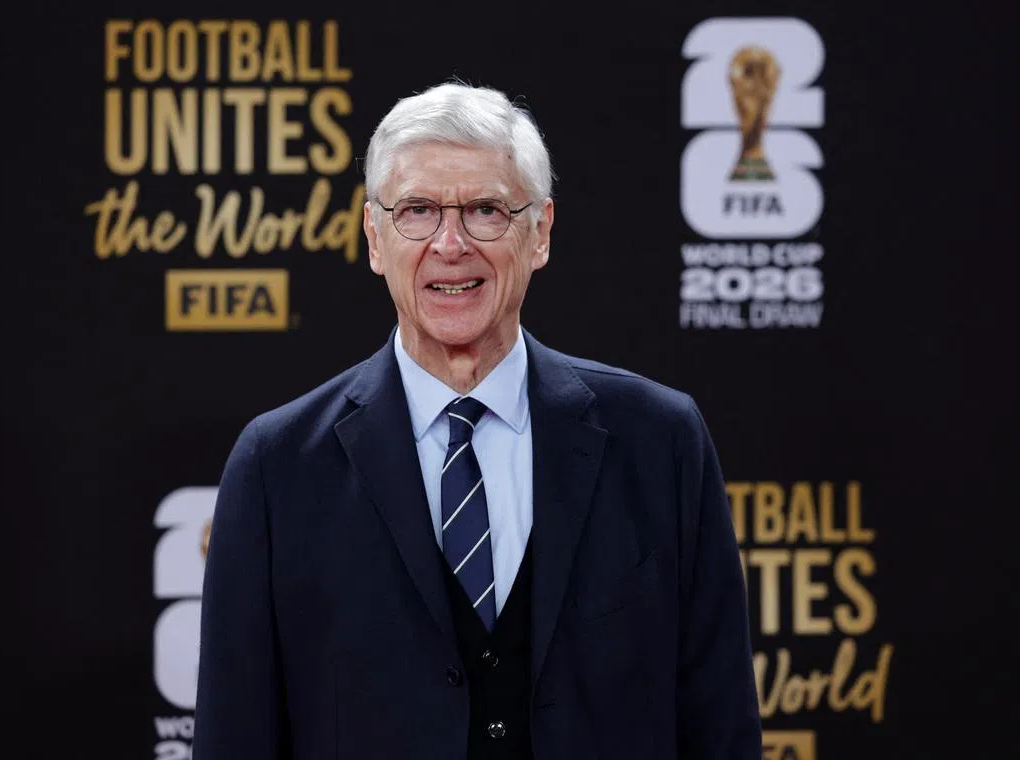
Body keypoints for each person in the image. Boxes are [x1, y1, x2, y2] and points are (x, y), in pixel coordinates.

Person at [193, 81, 761, 760]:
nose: (450, 243)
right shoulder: (278, 468)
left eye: (486, 210)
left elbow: (721, 728)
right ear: (374, 237)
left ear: (539, 232)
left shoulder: (660, 441)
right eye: (418, 211)